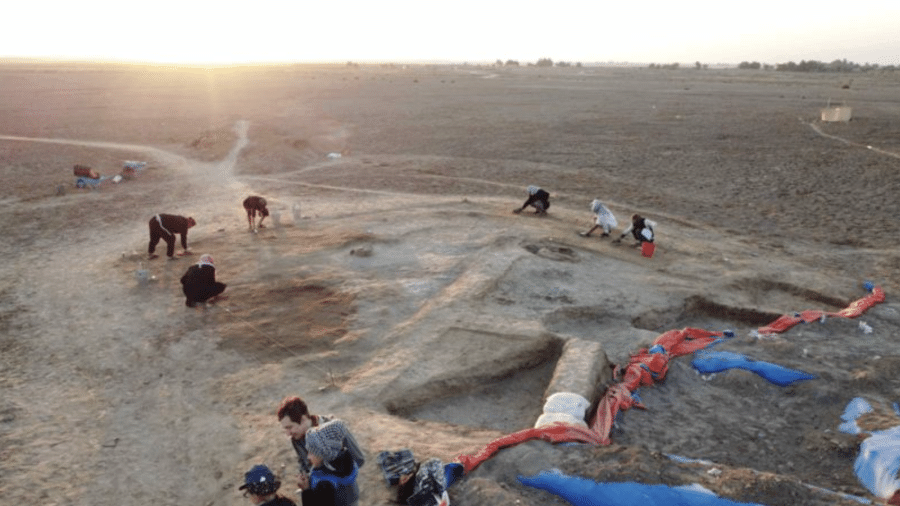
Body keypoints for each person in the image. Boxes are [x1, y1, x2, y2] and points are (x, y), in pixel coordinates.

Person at [277, 397, 365, 492]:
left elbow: (358, 458)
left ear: (303, 419)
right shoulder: (296, 438)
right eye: (285, 428)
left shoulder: (334, 430)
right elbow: (303, 462)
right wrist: (304, 477)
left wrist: (333, 477)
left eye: (290, 427)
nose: (288, 433)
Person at [301, 420, 361, 506]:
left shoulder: (324, 485)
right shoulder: (345, 463)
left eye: (311, 452)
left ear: (324, 454)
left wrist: (306, 490)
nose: (308, 457)